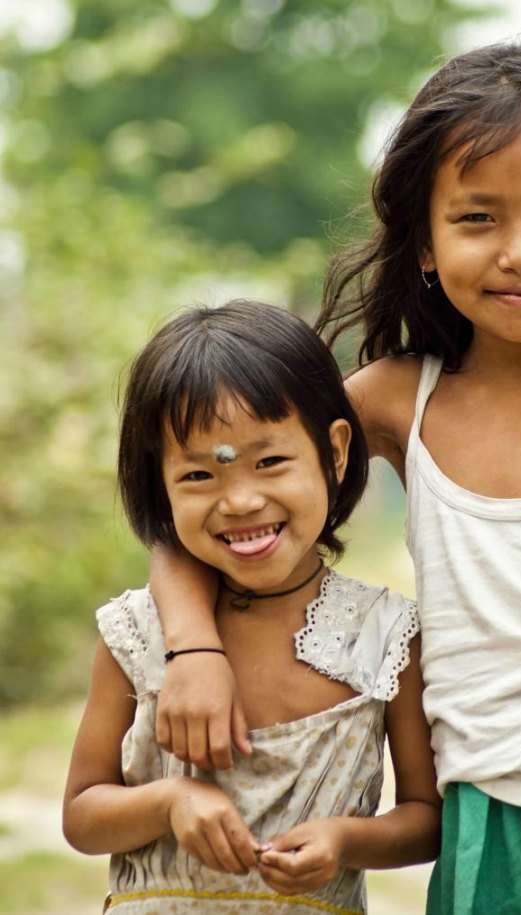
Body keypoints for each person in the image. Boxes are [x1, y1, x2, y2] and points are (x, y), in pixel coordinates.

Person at [146, 41, 521, 914]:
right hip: (482, 824)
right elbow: (207, 501)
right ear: (428, 245)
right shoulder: (397, 400)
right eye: (477, 219)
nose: (520, 251)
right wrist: (193, 648)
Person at [62, 300, 441, 915]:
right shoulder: (138, 634)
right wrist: (171, 801)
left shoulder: (385, 636)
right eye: (198, 477)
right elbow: (82, 816)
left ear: (336, 452)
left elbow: (427, 819)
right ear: (159, 482)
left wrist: (346, 840)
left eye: (270, 462)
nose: (239, 500)